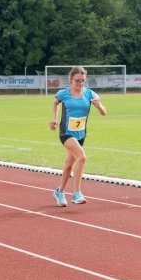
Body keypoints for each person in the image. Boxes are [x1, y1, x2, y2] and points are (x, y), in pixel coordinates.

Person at [49, 66, 107, 206]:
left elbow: (104, 113)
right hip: (66, 133)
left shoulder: (89, 94)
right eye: (77, 80)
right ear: (70, 79)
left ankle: (59, 192)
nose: (80, 83)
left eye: (83, 81)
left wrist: (99, 106)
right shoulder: (64, 94)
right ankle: (76, 193)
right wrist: (54, 119)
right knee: (82, 157)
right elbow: (56, 103)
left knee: (69, 165)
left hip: (80, 134)